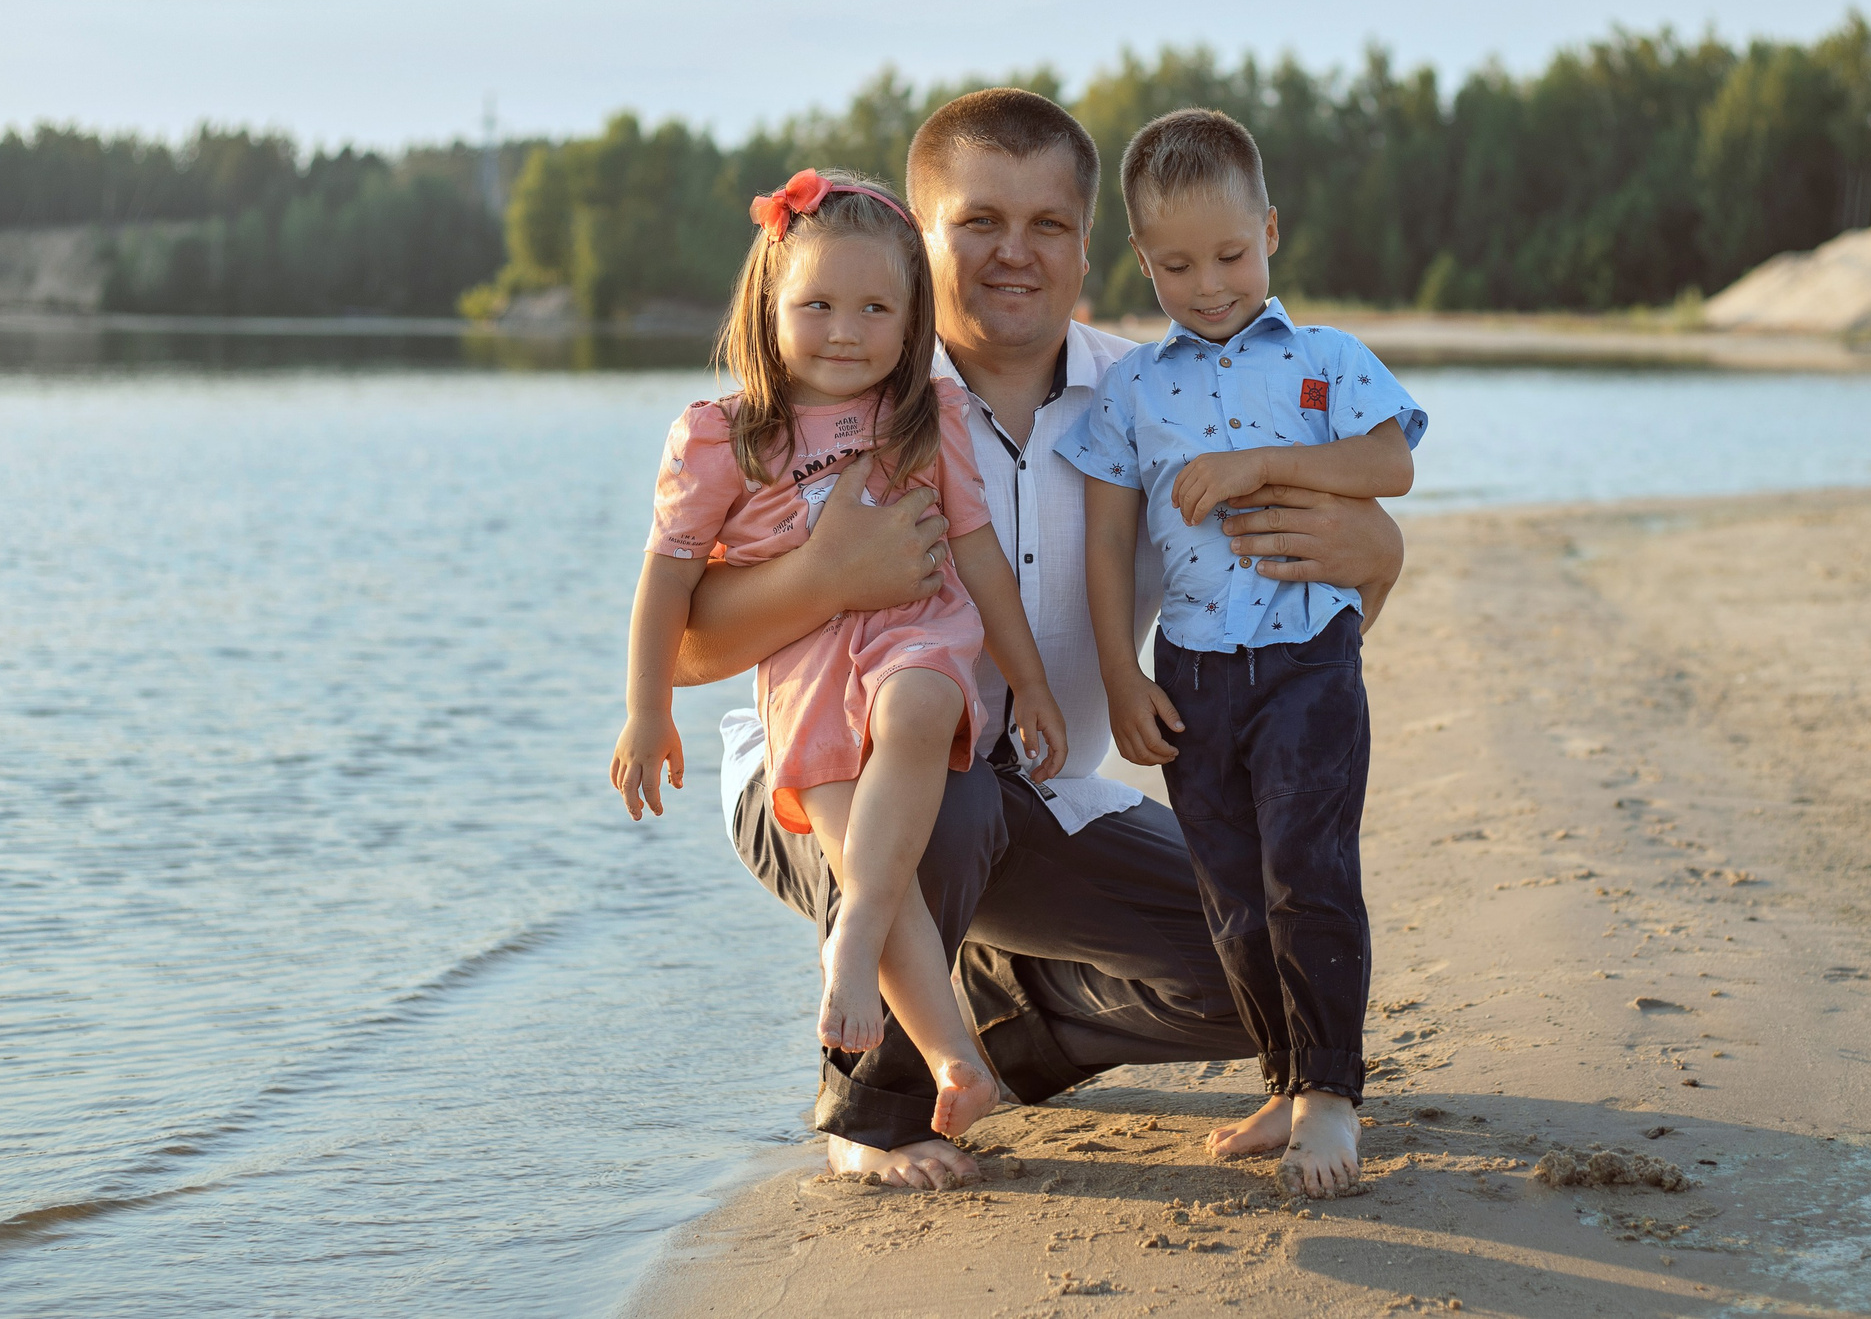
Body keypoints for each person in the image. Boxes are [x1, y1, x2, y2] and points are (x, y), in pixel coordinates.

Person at [667, 88, 1409, 1191]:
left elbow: (1323, 562)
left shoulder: (1151, 395)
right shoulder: (842, 388)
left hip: (1046, 788)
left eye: (1046, 225)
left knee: (1241, 962)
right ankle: (870, 1107)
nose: (1014, 254)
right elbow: (689, 649)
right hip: (824, 770)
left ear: (1088, 245)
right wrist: (826, 573)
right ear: (920, 244)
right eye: (978, 224)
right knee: (944, 779)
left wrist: (1375, 550)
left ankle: (996, 1023)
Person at [608, 169, 1068, 1143]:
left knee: (914, 719)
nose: (845, 329)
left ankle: (853, 937)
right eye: (815, 304)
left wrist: (1027, 678)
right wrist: (648, 709)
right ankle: (953, 1060)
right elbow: (667, 581)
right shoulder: (722, 437)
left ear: (912, 322)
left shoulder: (925, 417)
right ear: (767, 305)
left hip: (916, 625)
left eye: (875, 307)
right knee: (853, 834)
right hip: (804, 662)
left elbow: (977, 551)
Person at [1061, 108, 1424, 1198]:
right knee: (1230, 891)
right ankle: (1280, 1079)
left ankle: (1331, 1094)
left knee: (1309, 874)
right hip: (1194, 672)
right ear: (1142, 260)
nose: (1208, 284)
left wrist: (1265, 464)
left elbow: (1388, 469)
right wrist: (1121, 677)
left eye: (1229, 254)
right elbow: (1110, 535)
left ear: (1269, 231)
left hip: (1309, 660)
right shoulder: (1129, 389)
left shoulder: (1326, 360)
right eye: (1176, 263)